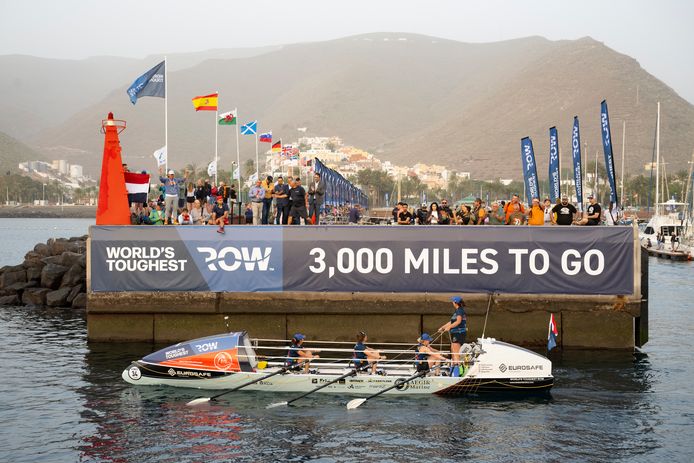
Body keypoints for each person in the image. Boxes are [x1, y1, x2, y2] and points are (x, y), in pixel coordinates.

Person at [438, 296, 467, 375]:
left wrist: (449, 327)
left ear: (455, 303)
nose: (452, 303)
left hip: (458, 333)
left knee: (455, 351)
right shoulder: (457, 311)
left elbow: (458, 321)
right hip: (455, 333)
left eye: (452, 302)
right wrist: (443, 328)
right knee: (453, 349)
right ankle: (453, 369)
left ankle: (457, 371)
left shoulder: (459, 311)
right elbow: (451, 322)